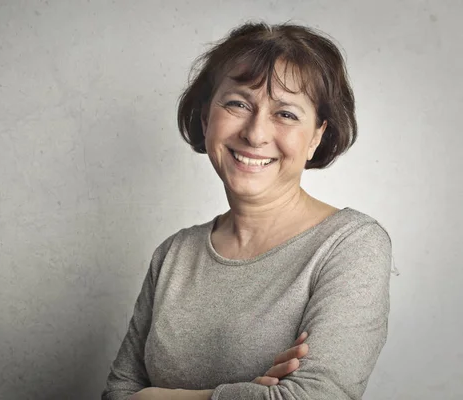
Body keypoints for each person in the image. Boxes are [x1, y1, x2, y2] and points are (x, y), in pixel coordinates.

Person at [102, 21, 392, 400]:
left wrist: (159, 396)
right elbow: (117, 395)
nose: (255, 134)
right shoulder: (174, 254)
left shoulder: (350, 245)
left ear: (316, 137)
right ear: (207, 119)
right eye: (238, 103)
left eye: (286, 113)